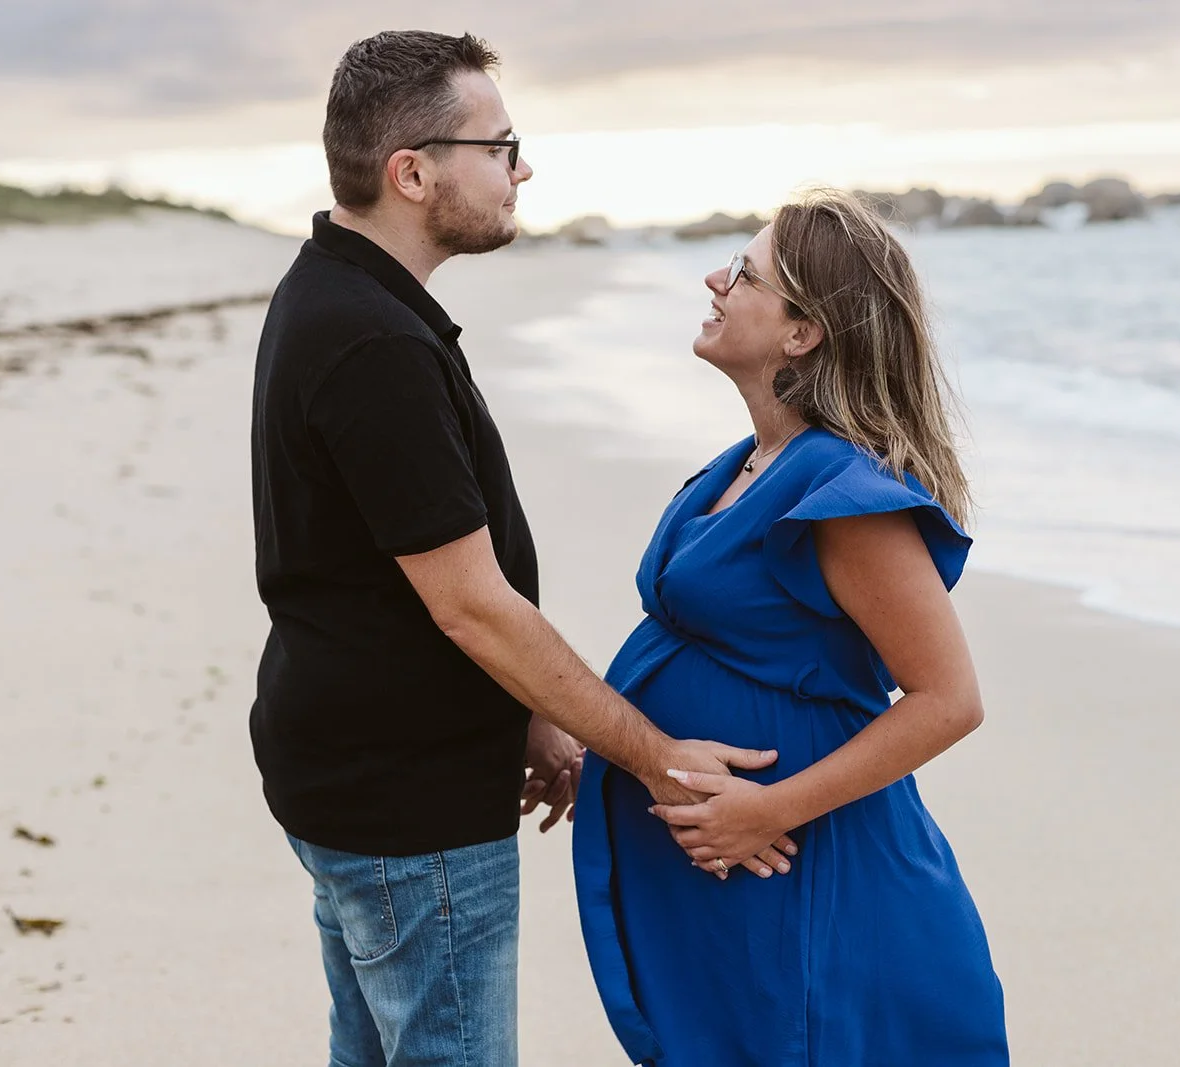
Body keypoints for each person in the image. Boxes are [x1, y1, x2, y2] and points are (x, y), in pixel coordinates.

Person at [248, 30, 778, 1067]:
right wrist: (661, 760)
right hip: (405, 801)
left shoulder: (345, 296)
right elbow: (470, 603)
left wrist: (530, 712)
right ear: (412, 172)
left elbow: (390, 573)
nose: (520, 167)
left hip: (353, 768)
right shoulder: (373, 341)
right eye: (499, 146)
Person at [573, 189, 1009, 1065]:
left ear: (802, 332)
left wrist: (767, 808)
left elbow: (949, 699)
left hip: (814, 873)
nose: (714, 278)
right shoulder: (744, 464)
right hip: (740, 876)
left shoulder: (844, 497)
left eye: (742, 272)